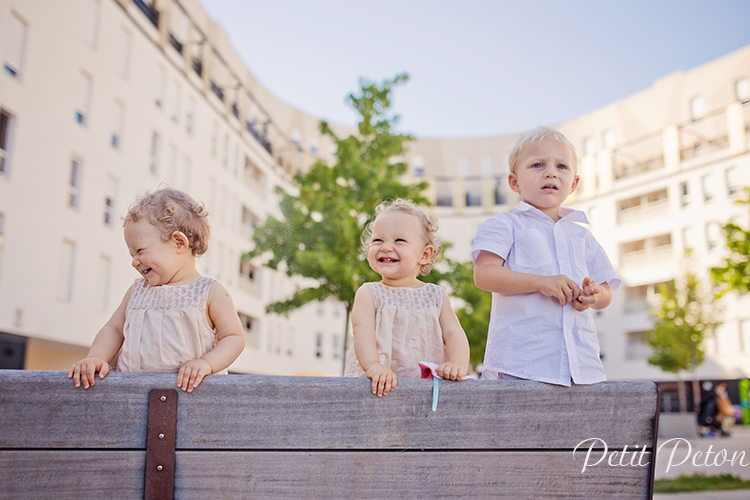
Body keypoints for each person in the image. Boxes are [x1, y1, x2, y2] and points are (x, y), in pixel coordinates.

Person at [471, 126, 620, 386]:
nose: (550, 172)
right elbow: (484, 274)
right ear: (514, 181)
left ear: (574, 183)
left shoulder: (583, 236)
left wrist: (595, 294)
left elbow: (606, 292)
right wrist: (541, 282)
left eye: (561, 166)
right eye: (538, 165)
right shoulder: (506, 224)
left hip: (581, 367)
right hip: (522, 365)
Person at [68, 188, 245, 392]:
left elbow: (233, 337)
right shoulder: (137, 292)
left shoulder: (209, 293)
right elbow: (113, 329)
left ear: (179, 242)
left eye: (140, 251)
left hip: (193, 398)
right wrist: (96, 358)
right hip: (133, 396)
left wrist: (207, 363)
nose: (134, 262)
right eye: (131, 254)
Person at [344, 199, 470, 397]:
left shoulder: (435, 296)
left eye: (399, 241)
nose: (385, 247)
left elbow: (454, 333)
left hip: (424, 390)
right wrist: (373, 365)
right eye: (378, 240)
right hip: (377, 386)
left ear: (425, 255)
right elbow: (363, 330)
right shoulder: (369, 293)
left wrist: (457, 364)